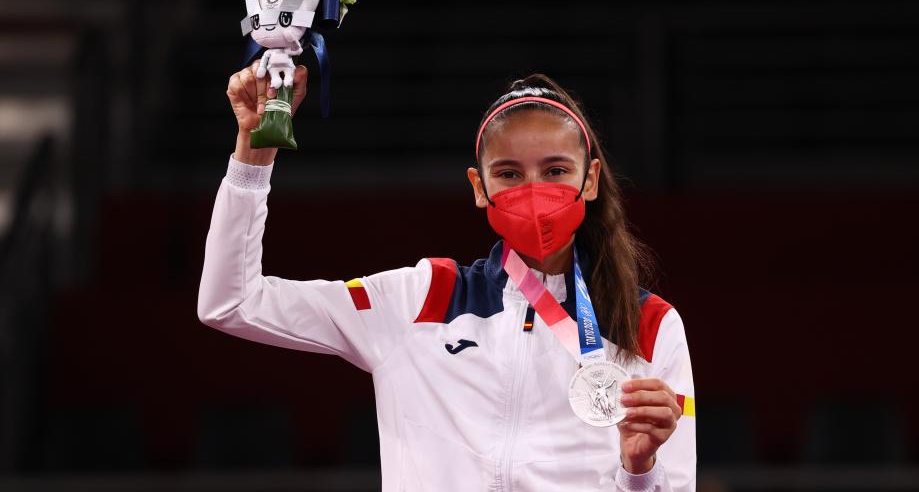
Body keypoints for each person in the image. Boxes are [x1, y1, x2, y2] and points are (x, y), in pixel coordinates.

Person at [198, 61, 697, 491]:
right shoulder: (421, 299)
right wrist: (253, 158)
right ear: (479, 187)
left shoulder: (650, 326)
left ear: (588, 179)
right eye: (508, 174)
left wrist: (638, 470)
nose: (532, 190)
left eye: (554, 171)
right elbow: (232, 303)